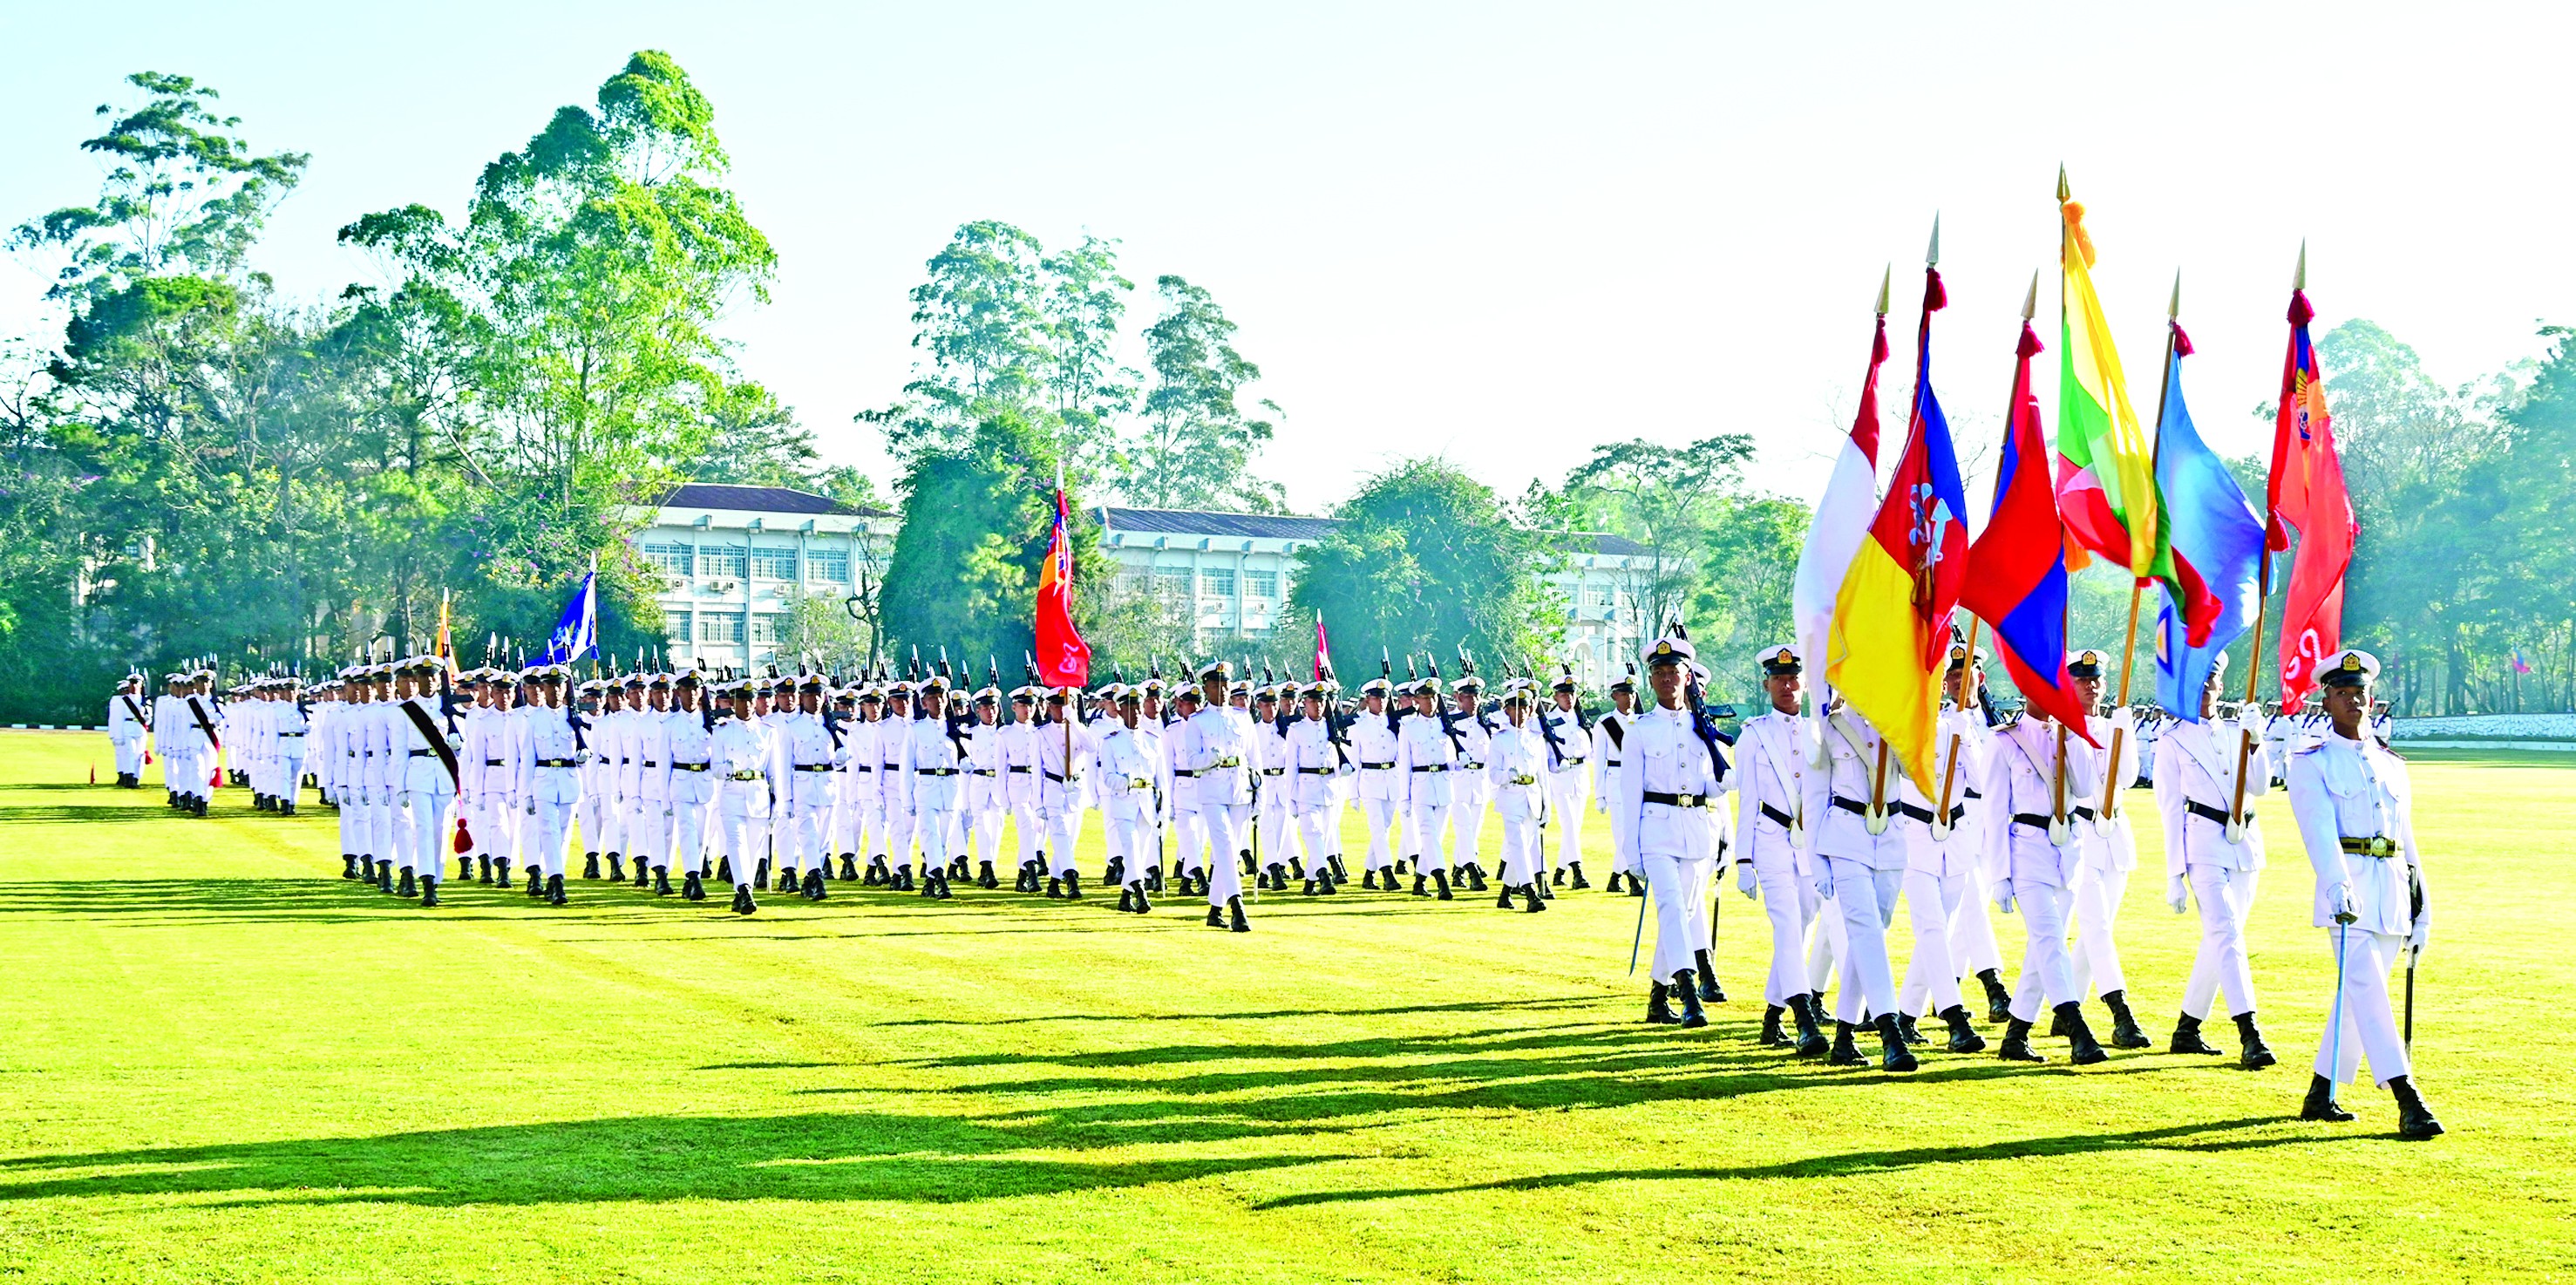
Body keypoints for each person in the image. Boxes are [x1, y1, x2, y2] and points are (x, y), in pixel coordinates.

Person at [2286, 649, 2441, 1139]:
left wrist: (2422, 900)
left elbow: (2407, 838)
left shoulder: (2391, 763)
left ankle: (2320, 1092)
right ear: (2325, 699)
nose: (2356, 699)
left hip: (2392, 891)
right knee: (2371, 994)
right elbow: (2318, 834)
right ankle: (2406, 1096)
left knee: (2356, 999)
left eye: (2362, 692)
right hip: (2347, 895)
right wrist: (2337, 888)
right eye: (2344, 692)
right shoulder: (2310, 763)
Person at [1981, 657, 2112, 1065]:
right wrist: (1999, 876)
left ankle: (2016, 1037)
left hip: (2068, 849)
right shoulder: (2004, 740)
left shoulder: (2069, 734)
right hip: (2026, 850)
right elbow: (1993, 812)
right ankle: (2077, 1029)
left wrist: (2073, 734)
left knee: (2043, 949)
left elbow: (2087, 786)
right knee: (2051, 941)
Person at [2154, 653, 2279, 1069]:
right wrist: (2174, 874)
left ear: (2222, 685)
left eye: (2213, 679)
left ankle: (2187, 1028)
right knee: (2227, 936)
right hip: (2203, 845)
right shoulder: (2172, 741)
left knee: (2221, 939)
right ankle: (2250, 1031)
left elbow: (2260, 785)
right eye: (2199, 679)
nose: (2206, 686)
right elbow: (2170, 810)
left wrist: (2257, 741)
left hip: (2244, 843)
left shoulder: (2235, 731)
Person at [1611, 630, 1727, 1030]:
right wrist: (1632, 853)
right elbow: (1630, 794)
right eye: (1658, 671)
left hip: (1696, 830)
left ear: (1688, 676)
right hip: (1656, 832)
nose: (1666, 678)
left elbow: (1710, 786)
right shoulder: (1641, 730)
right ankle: (1690, 993)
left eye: (1673, 671)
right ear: (1651, 679)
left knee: (1683, 912)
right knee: (1673, 909)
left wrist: (1727, 775)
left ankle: (1658, 998)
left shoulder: (1702, 725)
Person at [1800, 689, 1916, 1071]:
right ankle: (1890, 1032)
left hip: (1891, 837)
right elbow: (1815, 802)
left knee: (1872, 938)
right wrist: (1819, 866)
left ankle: (1844, 1037)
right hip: (1846, 838)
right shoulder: (1828, 728)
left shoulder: (1899, 723)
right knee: (1865, 931)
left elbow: (1920, 775)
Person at [1892, 641, 1993, 1054]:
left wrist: (1964, 733)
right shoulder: (1903, 722)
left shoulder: (1960, 727)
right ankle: (1954, 1018)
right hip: (1914, 837)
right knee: (1932, 928)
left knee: (1938, 932)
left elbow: (1983, 784)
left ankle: (1904, 1016)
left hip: (1954, 840)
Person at [1731, 644, 1829, 1057]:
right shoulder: (1754, 733)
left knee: (1803, 925)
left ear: (1806, 684)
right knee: (1788, 926)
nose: (1787, 685)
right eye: (1779, 678)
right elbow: (1747, 797)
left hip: (1810, 844)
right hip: (1770, 838)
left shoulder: (1820, 731)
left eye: (1794, 679)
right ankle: (1804, 1018)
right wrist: (1743, 859)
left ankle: (1772, 1017)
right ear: (1767, 683)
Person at [1177, 662, 1255, 931]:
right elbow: (1192, 760)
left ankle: (1214, 909)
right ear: (1206, 688)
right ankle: (1237, 906)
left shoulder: (1243, 717)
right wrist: (1212, 757)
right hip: (1212, 788)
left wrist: (1261, 795)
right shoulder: (1197, 722)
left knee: (1230, 851)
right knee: (1224, 845)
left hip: (1241, 787)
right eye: (1215, 685)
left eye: (1225, 684)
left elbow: (1254, 759)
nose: (1221, 689)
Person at [1397, 674, 1465, 900]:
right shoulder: (1409, 727)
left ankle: (1419, 880)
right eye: (1425, 697)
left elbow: (1450, 759)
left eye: (1433, 697)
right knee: (1428, 834)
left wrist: (1459, 763)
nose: (1430, 701)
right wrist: (1404, 799)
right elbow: (1405, 764)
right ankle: (1442, 881)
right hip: (1421, 787)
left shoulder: (1446, 725)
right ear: (1416, 700)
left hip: (1444, 786)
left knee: (1435, 837)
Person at [1485, 678, 1550, 912]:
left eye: (1525, 707)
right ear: (1507, 710)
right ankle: (1531, 893)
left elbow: (1543, 776)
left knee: (1519, 848)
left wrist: (1547, 808)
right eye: (1516, 707)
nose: (1521, 712)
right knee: (1519, 844)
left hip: (1532, 798)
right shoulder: (1499, 739)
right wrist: (1508, 775)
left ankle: (1504, 894)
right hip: (1511, 798)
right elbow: (1493, 775)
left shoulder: (1536, 738)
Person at [1349, 677, 1404, 888]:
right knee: (1378, 829)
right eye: (1375, 698)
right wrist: (1354, 794)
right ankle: (1387, 873)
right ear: (1367, 700)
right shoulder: (1358, 725)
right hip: (1370, 782)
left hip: (1391, 779)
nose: (1380, 702)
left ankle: (1368, 875)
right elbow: (1355, 761)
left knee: (1384, 829)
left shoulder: (1394, 722)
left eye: (1383, 698)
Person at [1539, 670, 1591, 885]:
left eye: (1572, 694)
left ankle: (1559, 872)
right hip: (1559, 778)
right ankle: (1577, 871)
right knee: (1569, 825)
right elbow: (1544, 753)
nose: (1569, 698)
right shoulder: (1548, 720)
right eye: (1564, 695)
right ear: (1555, 697)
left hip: (1580, 775)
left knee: (1574, 828)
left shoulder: (1581, 719)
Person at [1593, 669, 1639, 892]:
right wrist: (1599, 795)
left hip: (1638, 782)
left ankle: (1615, 877)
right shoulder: (1605, 723)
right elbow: (1599, 759)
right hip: (1616, 781)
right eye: (1623, 693)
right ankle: (1632, 879)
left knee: (1634, 832)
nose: (1629, 698)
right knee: (1623, 834)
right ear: (1614, 696)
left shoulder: (1642, 720)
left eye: (1632, 693)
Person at [106, 674, 151, 789]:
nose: (134, 686)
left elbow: (149, 717)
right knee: (129, 753)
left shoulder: (145, 700)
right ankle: (129, 777)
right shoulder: (123, 700)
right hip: (128, 727)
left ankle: (136, 777)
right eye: (132, 684)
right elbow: (118, 718)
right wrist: (117, 735)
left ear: (141, 685)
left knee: (139, 755)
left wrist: (146, 717)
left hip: (140, 728)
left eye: (137, 684)